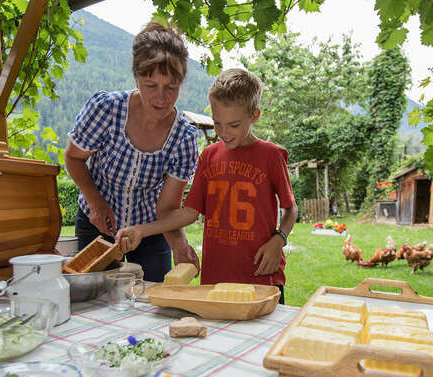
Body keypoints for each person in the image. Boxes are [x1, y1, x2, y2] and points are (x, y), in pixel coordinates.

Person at [115, 68, 298, 304]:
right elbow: (189, 213)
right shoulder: (209, 156)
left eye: (233, 125)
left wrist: (279, 239)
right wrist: (141, 230)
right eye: (217, 123)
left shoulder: (272, 156)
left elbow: (290, 209)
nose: (223, 132)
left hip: (262, 278)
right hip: (215, 280)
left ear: (254, 116)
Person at [64, 22, 199, 282]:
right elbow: (73, 157)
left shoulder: (184, 137)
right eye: (151, 86)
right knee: (93, 298)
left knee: (154, 300)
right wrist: (95, 201)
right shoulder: (106, 110)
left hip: (148, 231)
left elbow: (168, 208)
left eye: (170, 88)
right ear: (136, 77)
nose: (161, 98)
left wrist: (179, 244)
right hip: (96, 224)